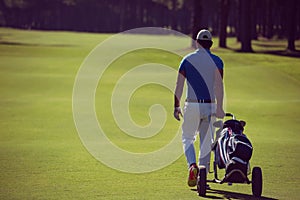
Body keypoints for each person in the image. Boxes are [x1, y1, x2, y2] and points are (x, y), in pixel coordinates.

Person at [173, 29, 225, 187]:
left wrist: (176, 106)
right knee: (206, 142)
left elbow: (179, 85)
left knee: (187, 137)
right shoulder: (217, 61)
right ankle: (203, 178)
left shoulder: (187, 59)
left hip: (192, 104)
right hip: (209, 105)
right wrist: (220, 107)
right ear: (211, 44)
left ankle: (192, 166)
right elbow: (218, 86)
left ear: (197, 42)